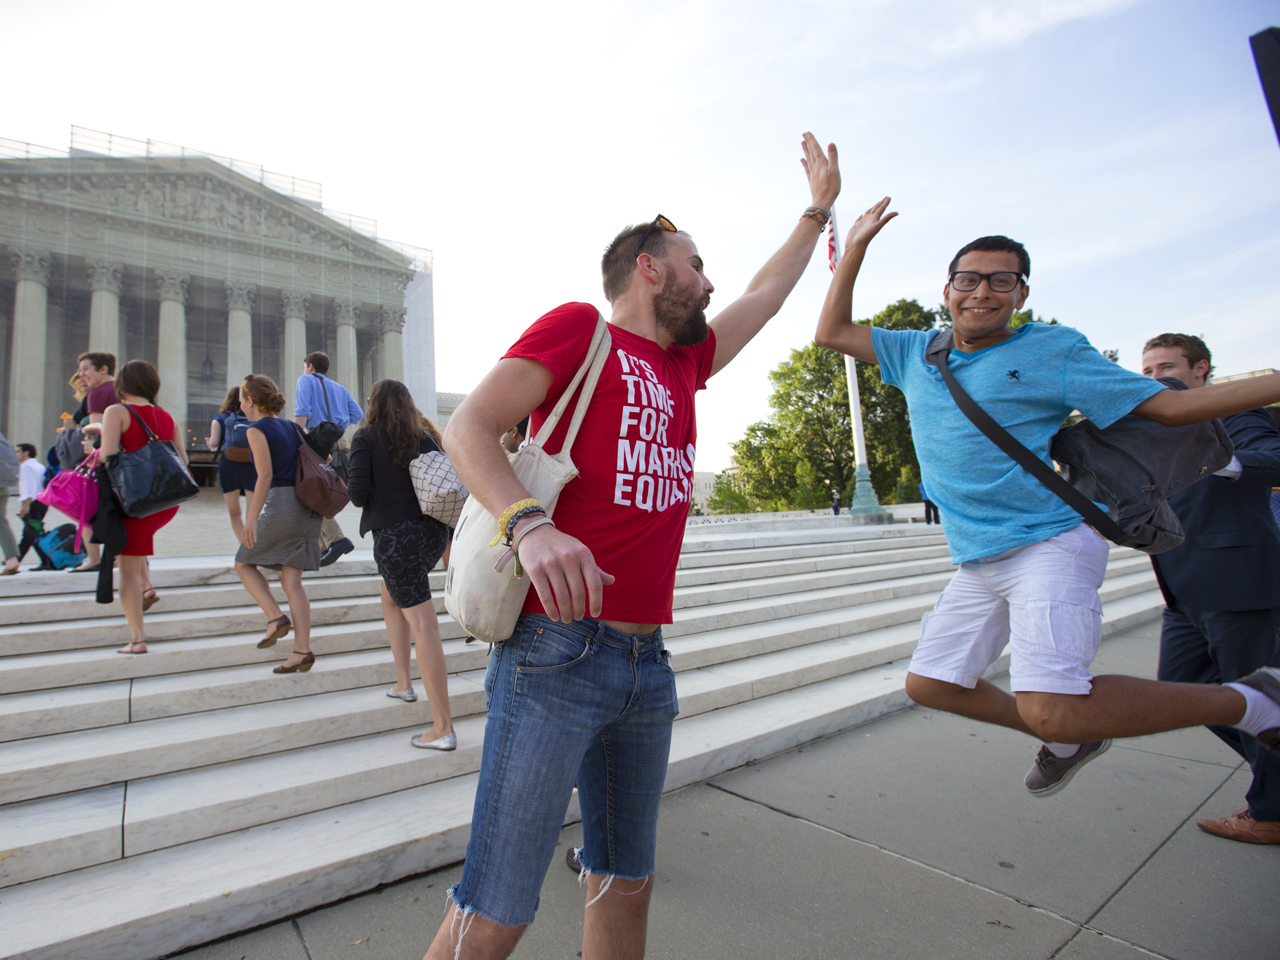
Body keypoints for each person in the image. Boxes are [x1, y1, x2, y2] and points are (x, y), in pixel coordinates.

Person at [423, 132, 841, 960]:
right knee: (498, 904)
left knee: (625, 880)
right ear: (650, 268)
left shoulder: (686, 364)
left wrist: (817, 213)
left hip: (647, 666)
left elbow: (765, 294)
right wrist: (528, 523)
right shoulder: (583, 329)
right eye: (695, 262)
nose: (711, 280)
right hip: (555, 652)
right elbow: (467, 424)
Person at [814, 199, 1280, 802]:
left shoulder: (1054, 351)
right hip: (980, 556)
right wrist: (853, 248)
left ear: (1021, 294)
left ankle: (1250, 700)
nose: (982, 293)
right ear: (947, 289)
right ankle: (1070, 734)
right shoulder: (914, 353)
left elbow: (1170, 406)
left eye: (1000, 282)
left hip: (1050, 543)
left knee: (1056, 704)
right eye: (969, 279)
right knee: (933, 685)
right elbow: (830, 332)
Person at [1140, 334, 1280, 844]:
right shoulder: (1154, 424)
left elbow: (1274, 457)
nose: (1156, 380)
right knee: (1184, 688)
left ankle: (1270, 813)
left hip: (1237, 576)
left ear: (1201, 369)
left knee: (1254, 692)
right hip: (1180, 580)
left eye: (1168, 369)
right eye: (1149, 371)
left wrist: (1215, 456)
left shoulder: (1234, 413)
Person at [347, 379, 455, 748]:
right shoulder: (424, 437)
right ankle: (403, 683)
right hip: (430, 536)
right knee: (390, 597)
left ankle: (443, 728)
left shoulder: (365, 437)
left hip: (396, 541)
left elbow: (358, 495)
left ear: (373, 404)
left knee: (424, 626)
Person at [82, 361, 184, 654]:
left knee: (126, 571)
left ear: (122, 385)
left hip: (134, 502)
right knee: (135, 552)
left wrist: (97, 440)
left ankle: (137, 639)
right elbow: (183, 463)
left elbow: (109, 456)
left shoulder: (117, 411)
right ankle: (148, 589)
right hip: (162, 503)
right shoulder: (167, 417)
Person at [236, 374, 321, 674]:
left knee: (243, 563)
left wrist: (251, 518)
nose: (241, 406)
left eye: (242, 400)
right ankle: (302, 651)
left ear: (252, 401)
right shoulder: (291, 427)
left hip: (283, 502)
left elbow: (265, 475)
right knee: (291, 582)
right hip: (308, 506)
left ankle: (274, 617)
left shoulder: (255, 429)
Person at [294, 351, 362, 566]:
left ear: (310, 366)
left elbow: (302, 412)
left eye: (305, 366)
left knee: (308, 491)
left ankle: (335, 540)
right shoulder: (339, 388)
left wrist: (296, 437)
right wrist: (338, 426)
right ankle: (324, 545)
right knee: (316, 491)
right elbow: (357, 414)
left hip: (316, 442)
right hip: (339, 444)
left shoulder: (305, 380)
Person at [72, 352, 116, 573]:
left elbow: (97, 431)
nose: (82, 374)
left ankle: (93, 559)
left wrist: (92, 455)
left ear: (103, 369)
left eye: (85, 369)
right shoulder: (123, 389)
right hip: (124, 461)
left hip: (102, 460)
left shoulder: (98, 393)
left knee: (87, 507)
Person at [206, 386, 257, 540]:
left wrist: (209, 443)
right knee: (252, 514)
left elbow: (214, 444)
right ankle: (253, 547)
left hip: (228, 466)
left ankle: (244, 547)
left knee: (235, 514)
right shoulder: (254, 418)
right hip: (251, 465)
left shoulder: (220, 419)